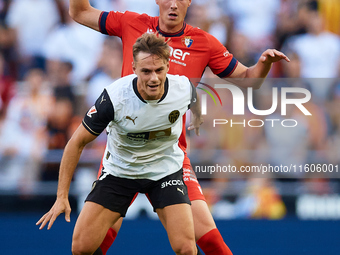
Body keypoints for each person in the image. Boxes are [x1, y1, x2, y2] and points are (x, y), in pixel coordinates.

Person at [68, 0, 290, 254]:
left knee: (205, 240)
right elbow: (80, 11)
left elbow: (248, 81)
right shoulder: (132, 23)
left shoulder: (203, 43)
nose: (173, 4)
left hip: (169, 155)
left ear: (189, 2)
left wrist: (263, 65)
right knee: (93, 242)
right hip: (125, 154)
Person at [36, 33, 203, 255]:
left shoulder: (181, 87)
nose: (153, 78)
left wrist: (198, 117)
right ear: (133, 67)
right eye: (146, 71)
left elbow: (193, 97)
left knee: (186, 249)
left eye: (159, 70)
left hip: (165, 170)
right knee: (81, 248)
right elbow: (75, 143)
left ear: (168, 66)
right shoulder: (114, 98)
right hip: (120, 173)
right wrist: (61, 196)